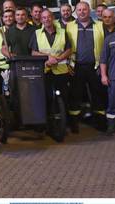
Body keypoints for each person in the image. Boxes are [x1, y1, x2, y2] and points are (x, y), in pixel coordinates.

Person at [30, 8, 72, 141]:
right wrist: (48, 57)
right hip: (45, 71)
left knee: (63, 98)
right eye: (43, 18)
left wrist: (58, 59)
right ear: (41, 20)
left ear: (52, 18)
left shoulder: (63, 32)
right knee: (46, 99)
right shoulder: (36, 33)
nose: (46, 20)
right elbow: (34, 52)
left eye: (48, 17)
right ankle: (47, 125)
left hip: (61, 70)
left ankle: (63, 124)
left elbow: (69, 49)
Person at [66, 1, 106, 133]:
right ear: (75, 12)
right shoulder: (69, 26)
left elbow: (105, 47)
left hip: (95, 66)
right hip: (76, 66)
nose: (82, 12)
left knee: (98, 94)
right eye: (79, 10)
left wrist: (102, 65)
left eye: (84, 9)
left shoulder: (100, 25)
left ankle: (100, 123)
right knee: (75, 95)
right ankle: (74, 125)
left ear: (89, 11)